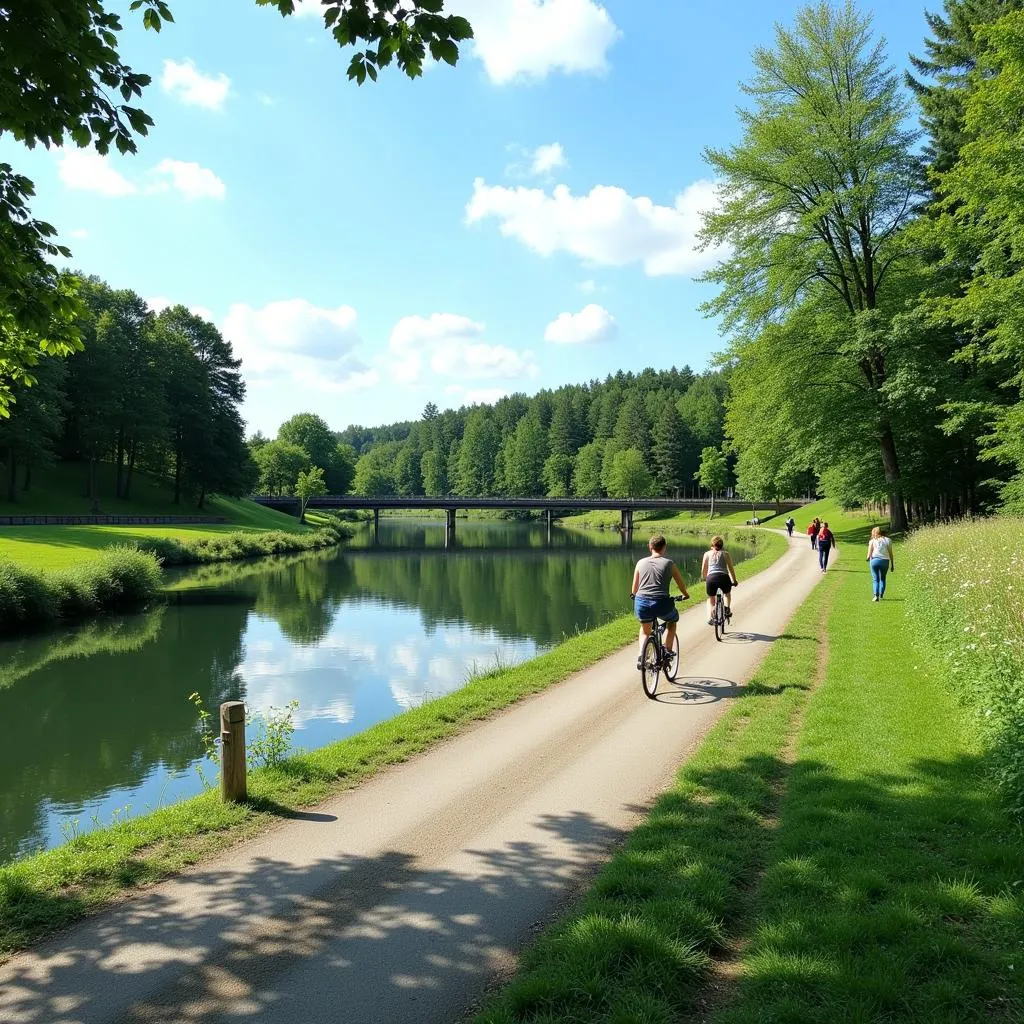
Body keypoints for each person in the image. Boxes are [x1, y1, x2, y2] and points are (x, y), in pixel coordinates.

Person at [631, 534, 690, 669]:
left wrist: (635, 597)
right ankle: (667, 651)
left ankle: (642, 655)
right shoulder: (669, 563)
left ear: (650, 547)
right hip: (661, 603)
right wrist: (685, 595)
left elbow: (634, 589)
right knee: (672, 621)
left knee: (645, 630)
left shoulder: (640, 562)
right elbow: (681, 585)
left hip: (642, 602)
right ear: (664, 548)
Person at [701, 535, 739, 624]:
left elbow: (703, 569)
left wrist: (704, 578)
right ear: (722, 545)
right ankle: (727, 608)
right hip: (724, 578)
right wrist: (734, 580)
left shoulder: (707, 554)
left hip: (711, 579)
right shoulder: (725, 554)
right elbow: (731, 569)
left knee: (711, 600)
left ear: (712, 545)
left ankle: (711, 617)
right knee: (727, 594)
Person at [866, 526, 895, 600]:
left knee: (875, 579)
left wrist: (868, 559)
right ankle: (881, 594)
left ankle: (876, 596)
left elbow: (869, 554)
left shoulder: (872, 541)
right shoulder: (888, 540)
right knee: (883, 578)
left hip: (874, 561)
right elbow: (890, 553)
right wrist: (892, 564)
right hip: (885, 561)